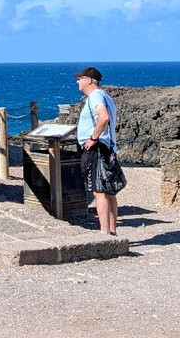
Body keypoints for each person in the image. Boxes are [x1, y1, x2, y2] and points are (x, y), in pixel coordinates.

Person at [75, 66, 118, 235]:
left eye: (80, 78)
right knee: (109, 191)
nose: (77, 81)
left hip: (97, 148)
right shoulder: (106, 96)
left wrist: (93, 138)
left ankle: (104, 232)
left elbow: (104, 117)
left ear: (89, 80)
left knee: (99, 192)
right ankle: (112, 231)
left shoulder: (95, 96)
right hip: (108, 146)